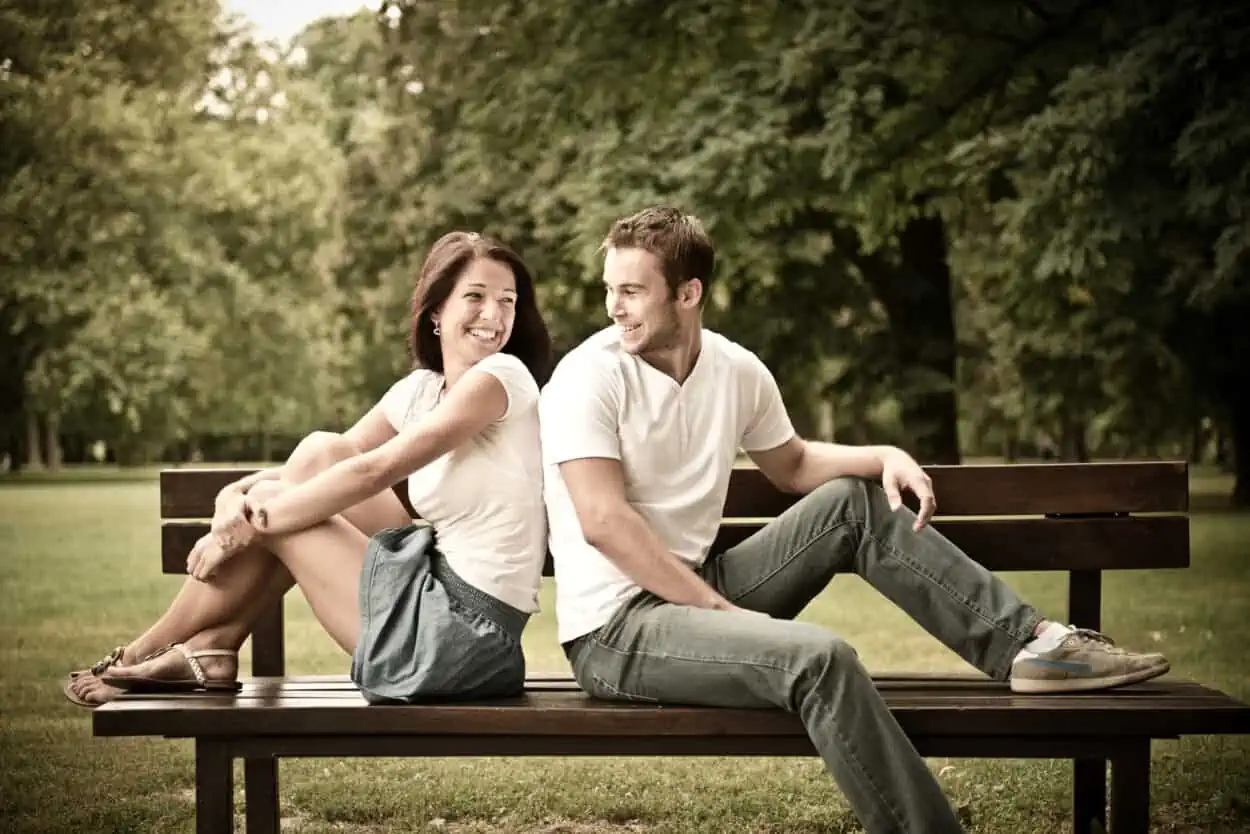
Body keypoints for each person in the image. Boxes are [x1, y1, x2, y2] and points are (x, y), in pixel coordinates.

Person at [537, 207, 1170, 834]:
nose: (614, 308)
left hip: (703, 592)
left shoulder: (735, 370)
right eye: (610, 291)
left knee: (856, 503)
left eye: (630, 291)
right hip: (618, 632)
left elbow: (793, 464)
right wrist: (719, 612)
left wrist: (884, 456)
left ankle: (1030, 647)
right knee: (821, 657)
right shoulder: (589, 377)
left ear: (689, 292)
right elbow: (603, 521)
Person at [66, 231, 552, 707]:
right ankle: (213, 647)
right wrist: (232, 497)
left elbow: (372, 472)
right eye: (476, 296)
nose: (494, 314)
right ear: (435, 314)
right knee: (321, 452)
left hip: (463, 639)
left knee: (288, 503)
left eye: (507, 301)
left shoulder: (502, 378)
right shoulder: (423, 390)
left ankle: (144, 650)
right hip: (432, 590)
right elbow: (322, 465)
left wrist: (240, 529)